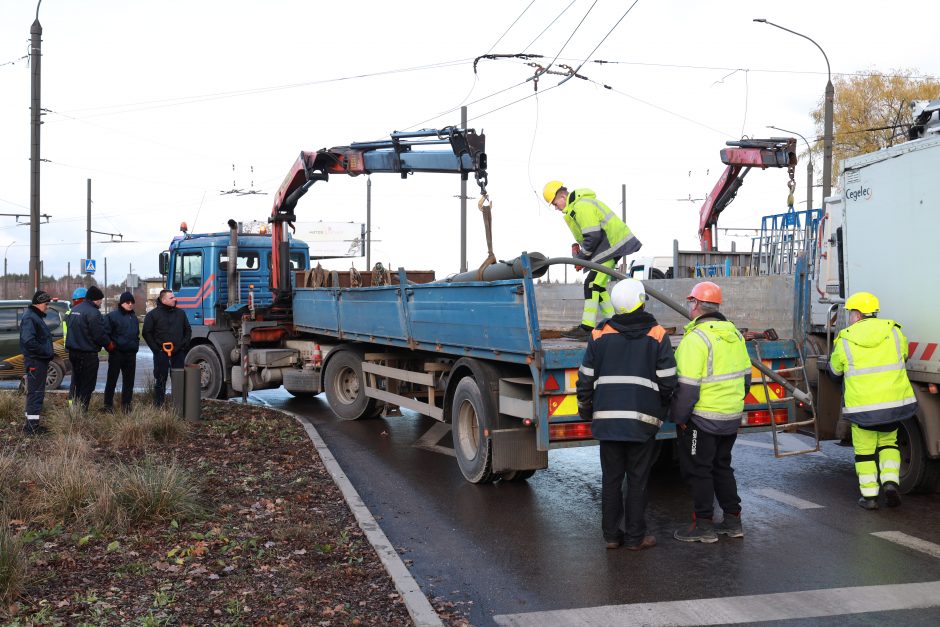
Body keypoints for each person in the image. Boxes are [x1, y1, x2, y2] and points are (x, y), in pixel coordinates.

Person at [576, 279, 677, 550]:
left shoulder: (599, 335)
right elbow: (668, 380)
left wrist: (586, 409)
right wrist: (662, 409)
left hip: (607, 422)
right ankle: (635, 538)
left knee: (610, 480)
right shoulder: (657, 334)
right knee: (637, 480)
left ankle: (611, 537)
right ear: (642, 300)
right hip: (642, 423)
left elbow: (585, 378)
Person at [670, 281, 751, 543]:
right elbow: (746, 378)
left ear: (695, 305)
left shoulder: (696, 339)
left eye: (691, 302)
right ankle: (732, 520)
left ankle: (704, 525)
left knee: (699, 470)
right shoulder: (736, 335)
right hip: (730, 415)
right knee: (722, 466)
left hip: (702, 419)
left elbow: (687, 389)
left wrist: (680, 419)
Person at [828, 291, 917, 510]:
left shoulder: (846, 339)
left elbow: (834, 372)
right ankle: (890, 482)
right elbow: (903, 356)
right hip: (892, 404)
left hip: (863, 408)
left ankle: (869, 497)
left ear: (857, 315)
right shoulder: (895, 332)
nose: (850, 317)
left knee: (865, 452)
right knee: (889, 443)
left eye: (851, 313)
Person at [543, 181, 642, 341]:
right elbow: (591, 236)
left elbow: (593, 236)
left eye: (555, 203)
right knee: (598, 286)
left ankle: (587, 328)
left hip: (610, 247)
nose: (556, 207)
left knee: (591, 284)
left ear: (562, 196)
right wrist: (581, 255)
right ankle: (614, 324)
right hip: (607, 247)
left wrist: (581, 257)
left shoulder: (581, 206)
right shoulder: (577, 207)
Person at [65, 284, 112, 411]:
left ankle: (74, 410)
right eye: (101, 300)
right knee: (88, 384)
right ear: (96, 300)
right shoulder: (93, 313)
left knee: (76, 382)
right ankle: (82, 411)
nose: (101, 302)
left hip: (73, 352)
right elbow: (99, 334)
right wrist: (109, 345)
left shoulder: (74, 310)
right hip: (87, 355)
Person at [142, 289, 192, 407]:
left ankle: (179, 406)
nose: (175, 299)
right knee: (160, 380)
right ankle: (159, 406)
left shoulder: (180, 313)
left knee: (179, 380)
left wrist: (183, 346)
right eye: (171, 298)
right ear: (163, 300)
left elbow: (188, 330)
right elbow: (146, 333)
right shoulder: (153, 315)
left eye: (174, 297)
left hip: (178, 353)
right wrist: (156, 350)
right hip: (161, 353)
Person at [20, 290, 55, 435]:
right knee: (36, 393)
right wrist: (46, 352)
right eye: (46, 304)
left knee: (35, 393)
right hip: (36, 361)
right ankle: (32, 428)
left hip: (37, 360)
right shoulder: (31, 318)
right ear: (39, 303)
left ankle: (31, 425)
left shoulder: (34, 317)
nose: (47, 306)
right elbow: (29, 341)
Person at [103, 291, 140, 412]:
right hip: (116, 354)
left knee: (129, 382)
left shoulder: (134, 318)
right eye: (127, 302)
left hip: (131, 354)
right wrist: (110, 347)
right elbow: (105, 333)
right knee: (112, 380)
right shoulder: (112, 316)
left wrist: (136, 345)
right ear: (121, 303)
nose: (130, 304)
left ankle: (126, 405)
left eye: (132, 302)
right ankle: (108, 405)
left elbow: (136, 334)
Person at [64, 286, 87, 405]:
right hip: (78, 349)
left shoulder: (69, 313)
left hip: (70, 348)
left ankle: (72, 404)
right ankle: (76, 404)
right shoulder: (79, 313)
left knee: (75, 378)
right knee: (80, 379)